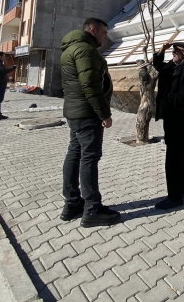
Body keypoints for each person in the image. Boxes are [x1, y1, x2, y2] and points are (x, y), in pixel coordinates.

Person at [59, 18, 120, 227]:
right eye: (103, 32)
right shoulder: (86, 50)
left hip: (75, 113)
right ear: (93, 30)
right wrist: (104, 114)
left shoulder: (70, 49)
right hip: (87, 114)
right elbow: (90, 85)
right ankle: (92, 209)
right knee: (89, 158)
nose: (105, 37)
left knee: (75, 154)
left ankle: (72, 203)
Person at [152, 41, 184, 210]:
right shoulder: (173, 66)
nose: (173, 53)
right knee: (180, 155)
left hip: (181, 120)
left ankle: (175, 197)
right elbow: (157, 65)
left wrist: (166, 100)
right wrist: (161, 50)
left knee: (173, 159)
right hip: (172, 119)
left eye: (176, 51)